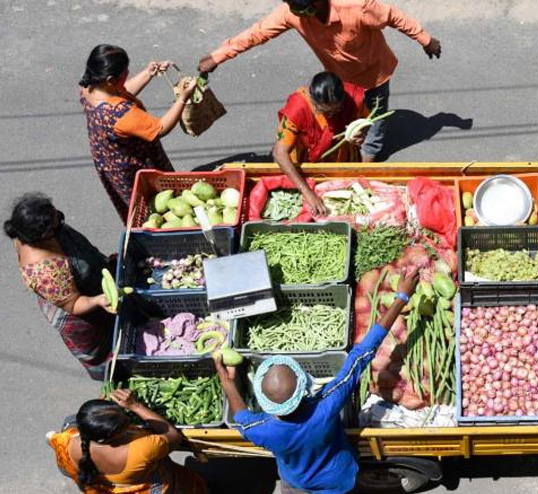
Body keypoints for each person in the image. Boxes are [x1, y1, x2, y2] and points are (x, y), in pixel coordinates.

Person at [215, 267, 421, 494]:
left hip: (296, 482)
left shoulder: (261, 430)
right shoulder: (325, 406)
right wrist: (401, 297)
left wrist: (228, 383)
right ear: (303, 387)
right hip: (337, 480)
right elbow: (361, 355)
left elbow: (241, 415)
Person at [197, 0, 441, 162]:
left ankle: (368, 159)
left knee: (374, 120)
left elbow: (394, 17)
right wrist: (218, 56)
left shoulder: (356, 6)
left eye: (305, 10)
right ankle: (347, 152)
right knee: (343, 120)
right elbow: (256, 34)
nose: (302, 16)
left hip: (373, 75)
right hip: (341, 80)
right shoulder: (293, 12)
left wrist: (425, 39)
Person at [80, 44, 197, 223]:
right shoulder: (121, 114)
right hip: (132, 164)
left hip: (110, 160)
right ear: (111, 79)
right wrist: (183, 98)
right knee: (154, 202)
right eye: (125, 72)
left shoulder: (89, 89)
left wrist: (148, 73)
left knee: (131, 202)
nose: (128, 73)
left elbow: (121, 91)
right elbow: (160, 128)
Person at [5, 193, 116, 380]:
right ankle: (114, 376)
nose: (60, 219)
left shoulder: (47, 226)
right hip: (79, 311)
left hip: (88, 285)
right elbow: (73, 304)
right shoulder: (45, 271)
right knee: (103, 351)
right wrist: (97, 300)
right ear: (42, 236)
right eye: (56, 225)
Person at [47, 390, 208, 493]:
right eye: (125, 424)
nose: (130, 422)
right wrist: (136, 406)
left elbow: (65, 469)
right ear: (108, 438)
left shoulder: (66, 439)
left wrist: (103, 413)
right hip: (150, 486)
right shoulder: (142, 448)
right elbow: (173, 437)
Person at [275, 71, 369, 216]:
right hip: (305, 159)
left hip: (341, 157)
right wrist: (307, 192)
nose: (330, 116)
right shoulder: (298, 107)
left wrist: (360, 135)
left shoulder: (354, 99)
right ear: (312, 100)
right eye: (324, 111)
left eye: (336, 110)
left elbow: (364, 122)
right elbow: (279, 153)